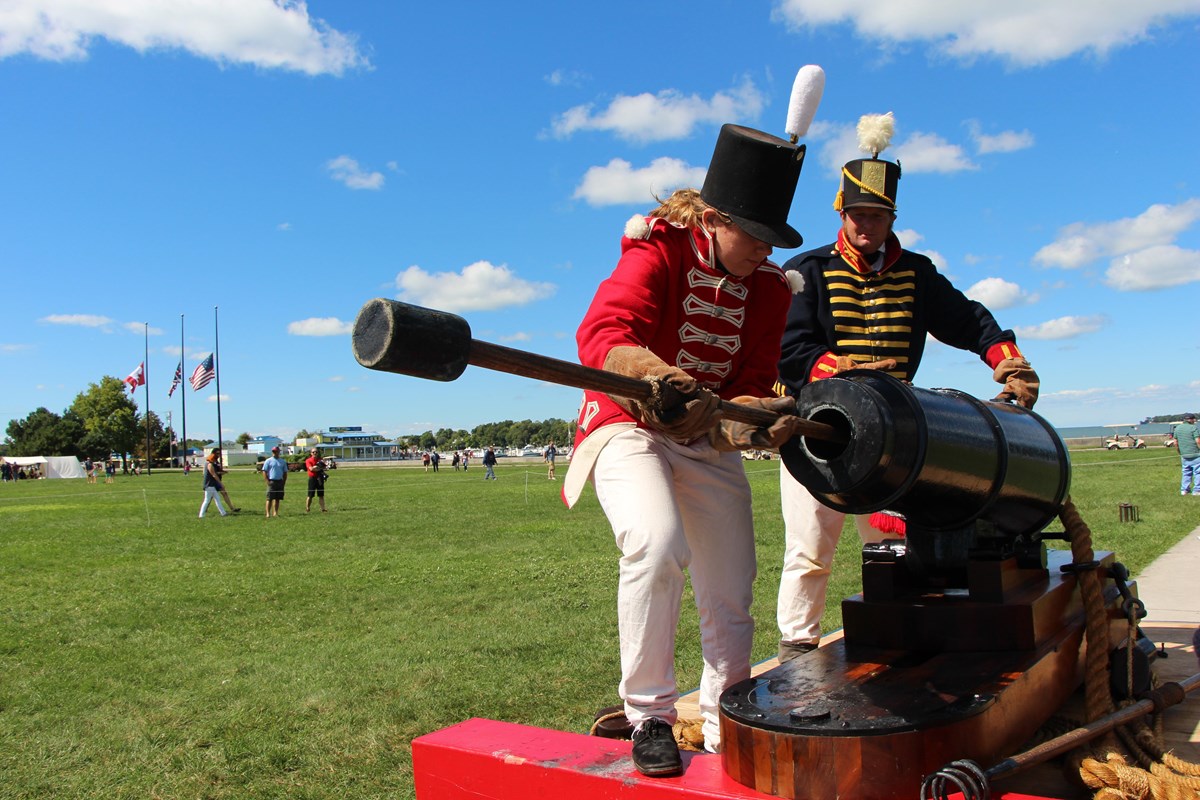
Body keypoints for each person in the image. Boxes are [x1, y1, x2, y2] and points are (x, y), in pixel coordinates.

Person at [563, 123, 808, 776]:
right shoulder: (660, 248)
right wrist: (658, 380)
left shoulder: (770, 293)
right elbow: (604, 331)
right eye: (752, 231)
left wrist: (753, 420)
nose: (762, 247)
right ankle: (649, 719)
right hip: (627, 425)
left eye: (771, 236)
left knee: (732, 584)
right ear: (712, 217)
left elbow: (750, 386)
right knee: (656, 542)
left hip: (703, 441)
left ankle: (731, 715)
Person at [773, 113, 1040, 663]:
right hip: (820, 427)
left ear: (892, 216)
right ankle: (797, 645)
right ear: (841, 214)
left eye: (877, 214)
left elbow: (968, 320)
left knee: (894, 548)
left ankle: (898, 638)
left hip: (897, 434)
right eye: (859, 214)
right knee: (809, 548)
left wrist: (1008, 362)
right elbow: (790, 351)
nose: (867, 225)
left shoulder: (916, 272)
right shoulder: (809, 270)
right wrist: (839, 372)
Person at [198, 448, 229, 518]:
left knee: (217, 499)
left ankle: (223, 513)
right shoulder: (209, 464)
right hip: (209, 485)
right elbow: (214, 475)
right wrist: (221, 483)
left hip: (211, 485)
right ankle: (201, 515)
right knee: (207, 500)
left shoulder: (208, 464)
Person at [1176, 413, 1200, 495]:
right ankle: (1197, 490)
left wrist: (1179, 452)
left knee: (1186, 472)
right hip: (1196, 454)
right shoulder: (1193, 428)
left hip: (1184, 455)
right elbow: (1198, 441)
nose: (1195, 421)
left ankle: (1184, 490)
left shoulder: (1177, 428)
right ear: (1190, 419)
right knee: (1198, 472)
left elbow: (1175, 442)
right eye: (1194, 419)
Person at [262, 446, 288, 517]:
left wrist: (284, 482)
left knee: (277, 498)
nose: (275, 453)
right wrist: (267, 481)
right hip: (271, 481)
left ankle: (275, 513)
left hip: (279, 481)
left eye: (276, 451)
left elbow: (285, 472)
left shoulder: (282, 461)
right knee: (269, 498)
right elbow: (264, 471)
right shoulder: (268, 461)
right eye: (273, 451)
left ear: (279, 452)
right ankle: (267, 513)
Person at [305, 448, 327, 512]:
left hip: (320, 478)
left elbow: (325, 468)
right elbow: (311, 469)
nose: (315, 453)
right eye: (313, 452)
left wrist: (317, 468)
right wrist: (318, 468)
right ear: (311, 453)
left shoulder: (320, 460)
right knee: (310, 495)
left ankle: (323, 509)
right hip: (312, 479)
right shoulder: (308, 460)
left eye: (316, 452)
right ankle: (307, 508)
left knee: (321, 495)